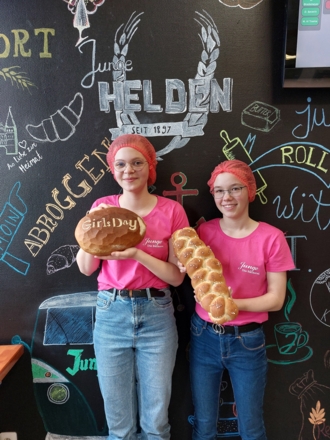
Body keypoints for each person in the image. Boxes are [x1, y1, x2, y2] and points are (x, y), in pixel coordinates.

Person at [76, 134, 189, 440]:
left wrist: (137, 253)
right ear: (113, 169)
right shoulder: (103, 207)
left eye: (137, 162)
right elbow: (86, 268)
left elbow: (176, 278)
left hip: (157, 313)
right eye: (121, 164)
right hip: (111, 313)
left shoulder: (172, 211)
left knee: (156, 422)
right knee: (120, 425)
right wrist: (91, 230)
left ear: (150, 166)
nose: (129, 170)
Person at [185, 159, 295, 440]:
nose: (227, 197)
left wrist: (232, 305)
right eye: (219, 191)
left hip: (247, 340)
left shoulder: (272, 238)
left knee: (251, 423)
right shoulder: (204, 233)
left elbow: (276, 299)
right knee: (204, 422)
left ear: (250, 191)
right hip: (204, 336)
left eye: (235, 188)